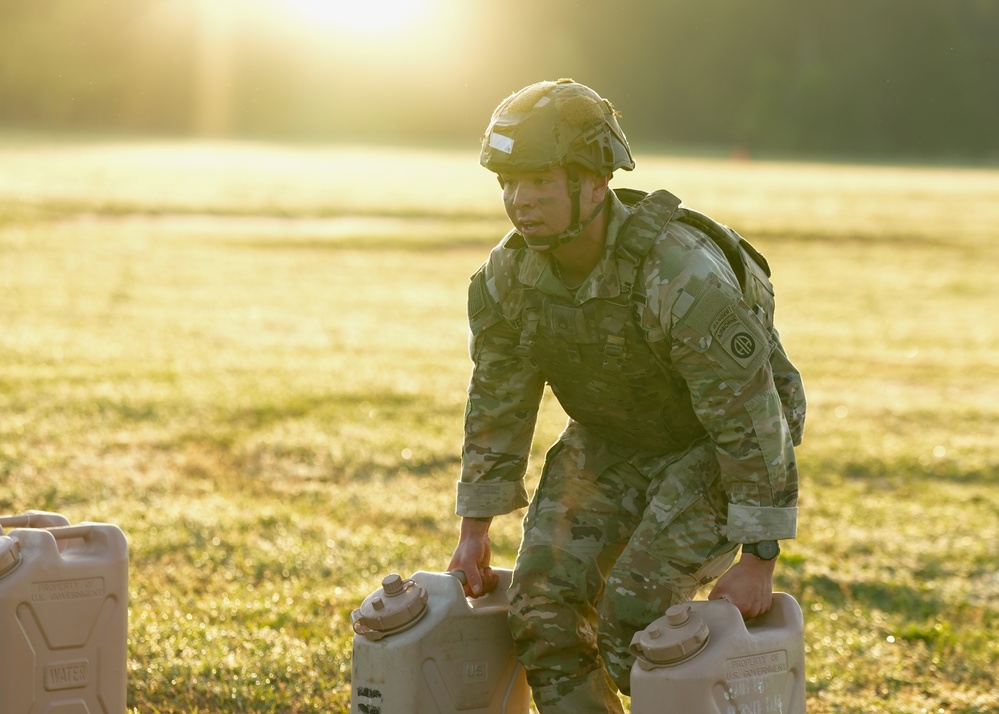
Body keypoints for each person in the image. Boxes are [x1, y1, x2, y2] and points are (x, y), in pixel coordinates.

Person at [447, 78, 806, 713]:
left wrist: (760, 554)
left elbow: (750, 415)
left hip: (715, 445)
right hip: (613, 434)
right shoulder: (508, 278)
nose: (518, 201)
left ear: (593, 181)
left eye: (538, 181)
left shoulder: (678, 272)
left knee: (635, 625)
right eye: (507, 182)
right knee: (540, 614)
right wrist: (476, 526)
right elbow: (498, 399)